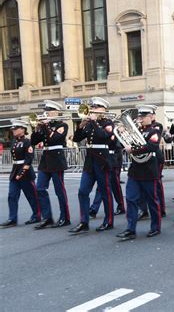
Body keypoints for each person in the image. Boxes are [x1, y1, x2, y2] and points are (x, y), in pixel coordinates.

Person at [69, 97, 115, 234]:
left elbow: (103, 136)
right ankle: (84, 222)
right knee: (82, 191)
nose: (93, 109)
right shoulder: (89, 123)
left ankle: (109, 221)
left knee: (105, 192)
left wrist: (94, 121)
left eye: (97, 107)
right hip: (90, 160)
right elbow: (77, 139)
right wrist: (81, 126)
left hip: (102, 160)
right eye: (93, 106)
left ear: (104, 110)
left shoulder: (108, 122)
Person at [116, 105, 163, 240]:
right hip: (135, 170)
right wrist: (122, 133)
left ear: (151, 117)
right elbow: (122, 145)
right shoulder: (134, 131)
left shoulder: (154, 131)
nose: (140, 119)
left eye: (144, 117)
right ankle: (130, 229)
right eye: (139, 117)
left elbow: (152, 147)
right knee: (130, 199)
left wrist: (134, 150)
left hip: (149, 170)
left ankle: (155, 227)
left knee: (152, 200)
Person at [31, 100, 71, 229]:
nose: (46, 113)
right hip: (45, 160)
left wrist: (47, 125)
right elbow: (34, 141)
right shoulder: (44, 126)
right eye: (45, 111)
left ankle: (65, 217)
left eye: (48, 111)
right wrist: (37, 129)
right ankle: (47, 217)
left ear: (56, 112)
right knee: (40, 188)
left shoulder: (62, 125)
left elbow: (54, 139)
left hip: (57, 159)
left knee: (59, 190)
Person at [0, 119, 41, 227]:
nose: (13, 130)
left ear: (22, 129)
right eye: (13, 128)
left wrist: (21, 173)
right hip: (15, 171)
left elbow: (29, 159)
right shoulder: (14, 141)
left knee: (31, 195)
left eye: (15, 128)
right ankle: (12, 218)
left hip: (25, 173)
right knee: (12, 195)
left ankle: (36, 215)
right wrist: (16, 174)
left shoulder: (28, 142)